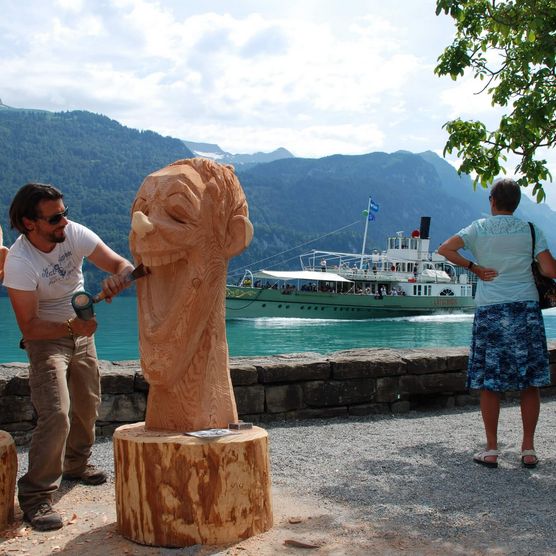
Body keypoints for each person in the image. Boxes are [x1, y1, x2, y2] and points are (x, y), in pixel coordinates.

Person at [3, 183, 134, 531]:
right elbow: (30, 327)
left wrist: (119, 279)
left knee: (89, 404)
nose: (64, 221)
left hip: (80, 330)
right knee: (57, 413)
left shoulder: (72, 232)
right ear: (30, 223)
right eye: (55, 217)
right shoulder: (19, 262)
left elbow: (122, 263)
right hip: (47, 339)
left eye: (65, 212)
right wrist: (72, 328)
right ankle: (35, 496)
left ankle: (76, 465)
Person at [438, 178, 556, 470]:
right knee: (529, 382)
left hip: (491, 311)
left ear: (492, 200)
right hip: (525, 310)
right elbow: (550, 269)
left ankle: (491, 449)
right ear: (516, 203)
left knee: (490, 383)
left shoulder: (478, 229)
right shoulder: (531, 229)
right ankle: (527, 449)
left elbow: (445, 249)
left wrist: (474, 267)